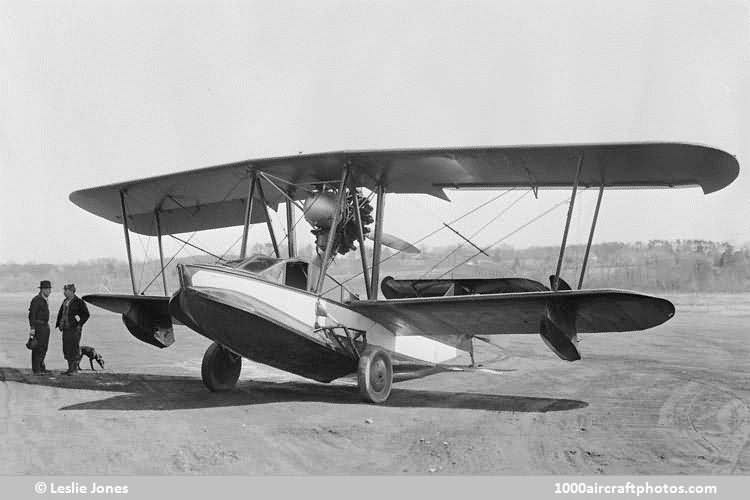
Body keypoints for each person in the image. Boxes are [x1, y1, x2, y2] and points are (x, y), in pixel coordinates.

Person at [55, 284, 90, 375]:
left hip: (75, 329)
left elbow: (86, 314)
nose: (64, 292)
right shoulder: (65, 301)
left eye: (66, 290)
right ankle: (70, 369)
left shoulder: (79, 302)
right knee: (66, 348)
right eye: (64, 290)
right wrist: (59, 324)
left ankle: (74, 370)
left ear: (71, 291)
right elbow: (61, 313)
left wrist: (79, 324)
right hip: (65, 329)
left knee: (74, 348)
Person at [28, 280, 52, 375]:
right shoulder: (36, 300)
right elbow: (32, 315)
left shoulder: (44, 299)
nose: (50, 291)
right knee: (37, 348)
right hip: (39, 327)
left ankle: (41, 367)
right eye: (48, 289)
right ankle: (36, 369)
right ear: (43, 290)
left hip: (45, 326)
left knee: (43, 348)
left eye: (50, 289)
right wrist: (32, 328)